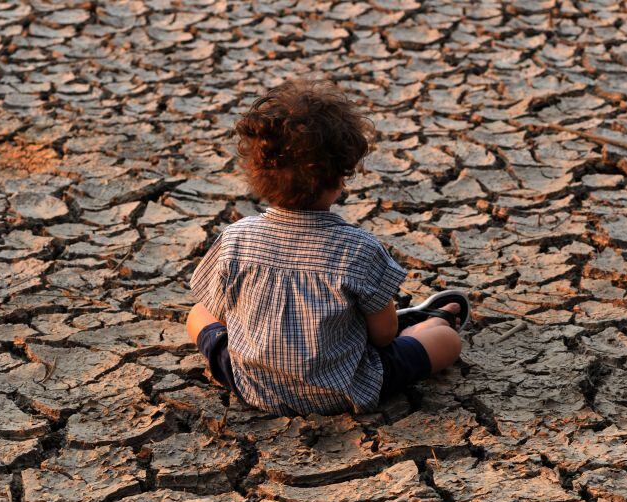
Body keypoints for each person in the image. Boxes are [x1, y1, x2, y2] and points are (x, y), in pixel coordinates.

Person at [186, 79, 466, 416]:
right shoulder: (358, 249)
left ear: (257, 174)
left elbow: (219, 314)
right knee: (446, 340)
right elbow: (383, 337)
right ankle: (424, 322)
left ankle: (414, 321)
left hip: (253, 385)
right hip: (344, 389)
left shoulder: (235, 239)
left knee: (197, 314)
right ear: (340, 177)